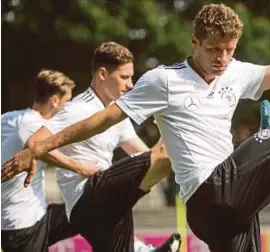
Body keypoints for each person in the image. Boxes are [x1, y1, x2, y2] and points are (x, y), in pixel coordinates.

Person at [2, 4, 270, 252]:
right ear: (194, 42)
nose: (222, 58)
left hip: (228, 212)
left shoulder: (238, 73)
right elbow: (103, 118)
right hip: (209, 194)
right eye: (213, 49)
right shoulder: (164, 81)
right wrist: (42, 146)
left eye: (230, 49)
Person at [5, 42, 181, 252]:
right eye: (124, 77)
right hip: (85, 199)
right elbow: (36, 142)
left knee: (161, 157)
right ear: (103, 74)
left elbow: (145, 154)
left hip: (108, 203)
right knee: (164, 154)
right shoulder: (77, 109)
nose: (130, 85)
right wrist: (80, 168)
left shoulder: (119, 115)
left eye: (131, 77)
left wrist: (164, 131)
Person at [1, 70, 86, 252]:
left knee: (86, 210)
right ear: (54, 101)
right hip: (24, 221)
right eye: (67, 102)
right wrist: (84, 169)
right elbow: (50, 152)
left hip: (15, 217)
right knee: (90, 209)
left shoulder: (8, 118)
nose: (68, 108)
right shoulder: (36, 126)